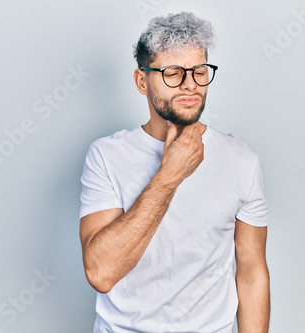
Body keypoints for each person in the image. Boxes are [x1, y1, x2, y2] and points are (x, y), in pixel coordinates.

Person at [79, 11, 270, 333]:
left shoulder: (242, 160)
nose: (190, 86)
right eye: (173, 73)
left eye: (199, 71)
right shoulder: (107, 156)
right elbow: (101, 273)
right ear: (142, 81)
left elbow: (251, 272)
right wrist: (169, 175)